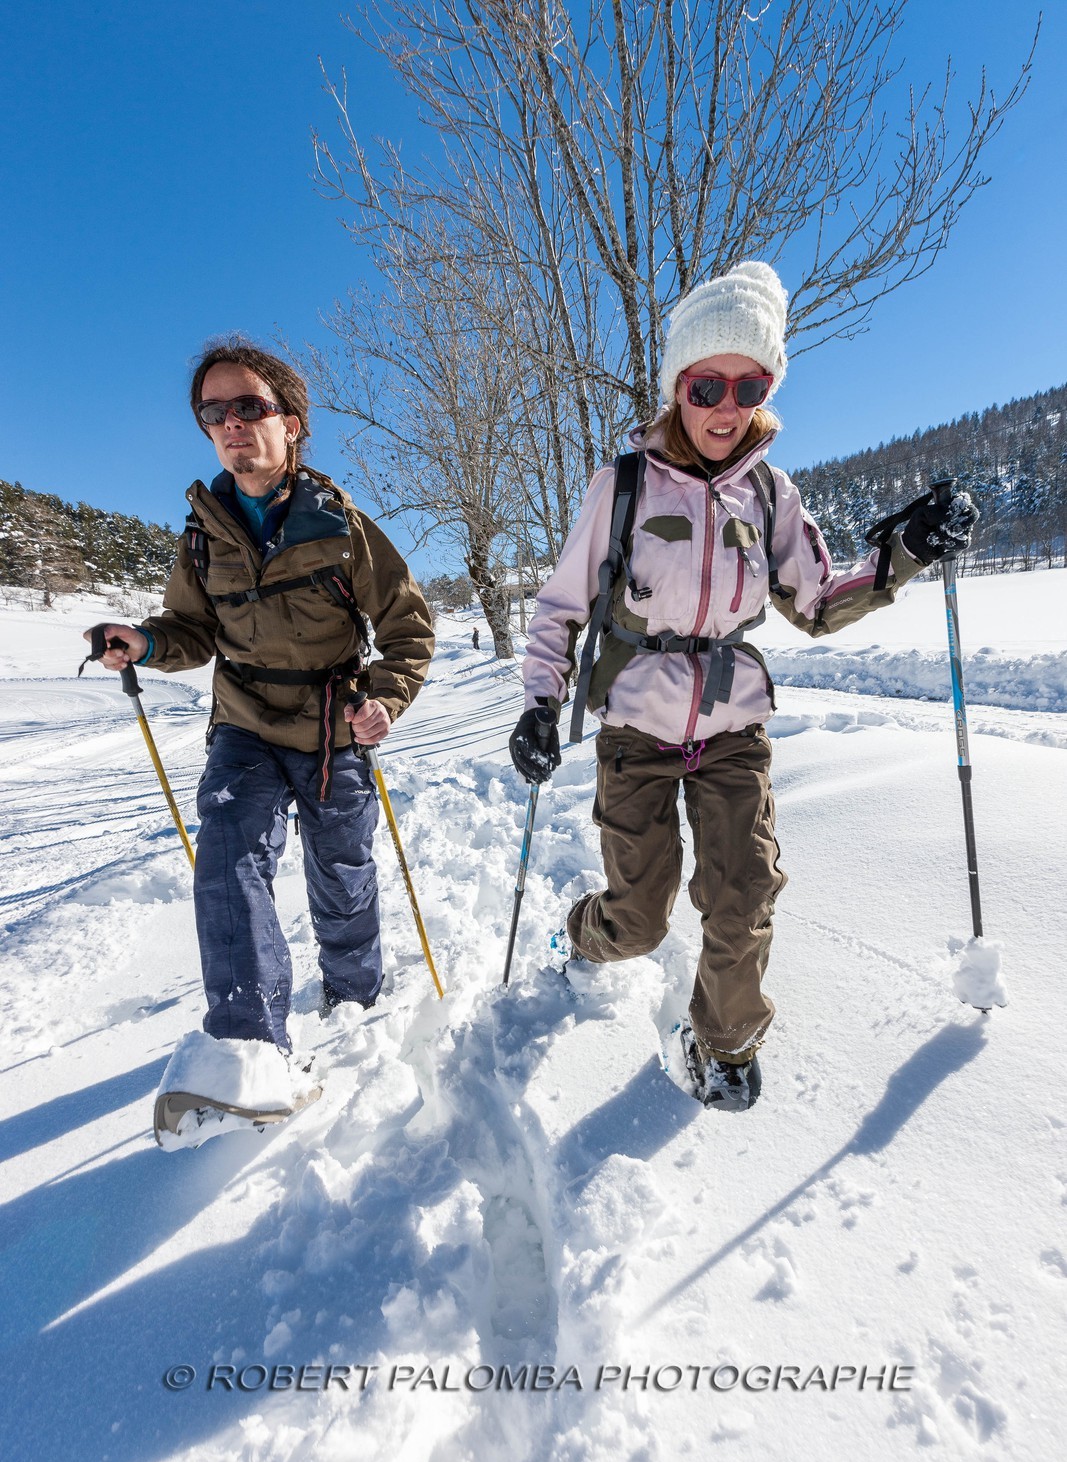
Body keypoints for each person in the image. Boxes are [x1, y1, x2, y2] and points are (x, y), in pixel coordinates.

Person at [509, 262, 975, 1112]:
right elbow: (560, 607)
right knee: (639, 918)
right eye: (706, 384)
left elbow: (818, 603)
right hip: (636, 728)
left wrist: (905, 550)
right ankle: (582, 934)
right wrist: (539, 703)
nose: (726, 405)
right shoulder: (619, 487)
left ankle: (721, 1040)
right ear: (676, 388)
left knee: (743, 891)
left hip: (732, 725)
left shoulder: (770, 492)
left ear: (766, 391)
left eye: (748, 384)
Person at [86, 338, 434, 1066]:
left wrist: (384, 700)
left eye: (248, 405)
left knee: (341, 874)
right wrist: (143, 644)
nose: (231, 422)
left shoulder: (340, 523)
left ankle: (354, 995)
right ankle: (248, 1051)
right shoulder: (203, 533)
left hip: (334, 725)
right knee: (227, 858)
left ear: (292, 422)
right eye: (214, 411)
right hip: (243, 722)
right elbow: (190, 631)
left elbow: (406, 624)